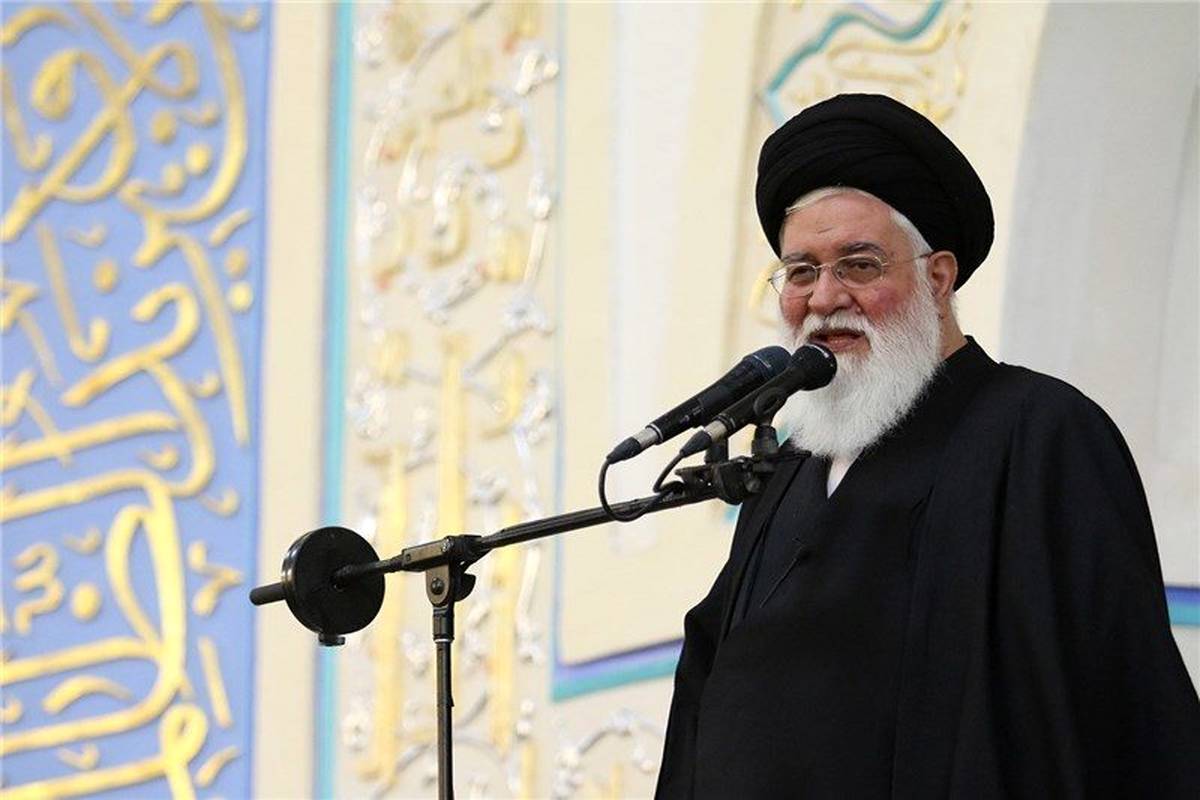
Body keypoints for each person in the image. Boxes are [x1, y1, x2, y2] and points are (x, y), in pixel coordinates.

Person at [655, 94, 1200, 799]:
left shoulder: (1041, 432)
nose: (823, 298)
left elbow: (1119, 701)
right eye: (801, 271)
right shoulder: (786, 472)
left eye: (858, 265)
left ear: (937, 278)